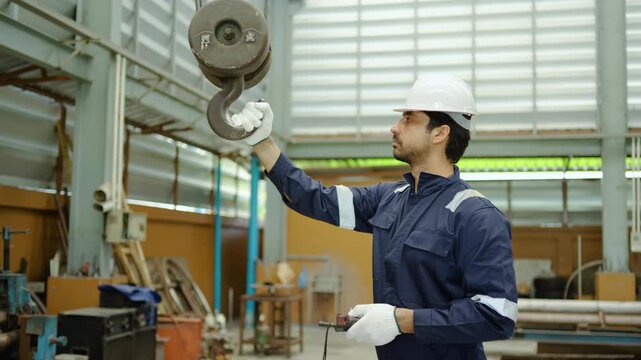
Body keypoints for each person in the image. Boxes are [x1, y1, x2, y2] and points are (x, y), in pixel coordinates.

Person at [230, 74, 518, 359]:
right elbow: (316, 199)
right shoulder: (390, 198)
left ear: (439, 133)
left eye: (408, 118)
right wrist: (263, 143)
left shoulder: (475, 216)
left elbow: (496, 315)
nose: (394, 128)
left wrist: (400, 320)